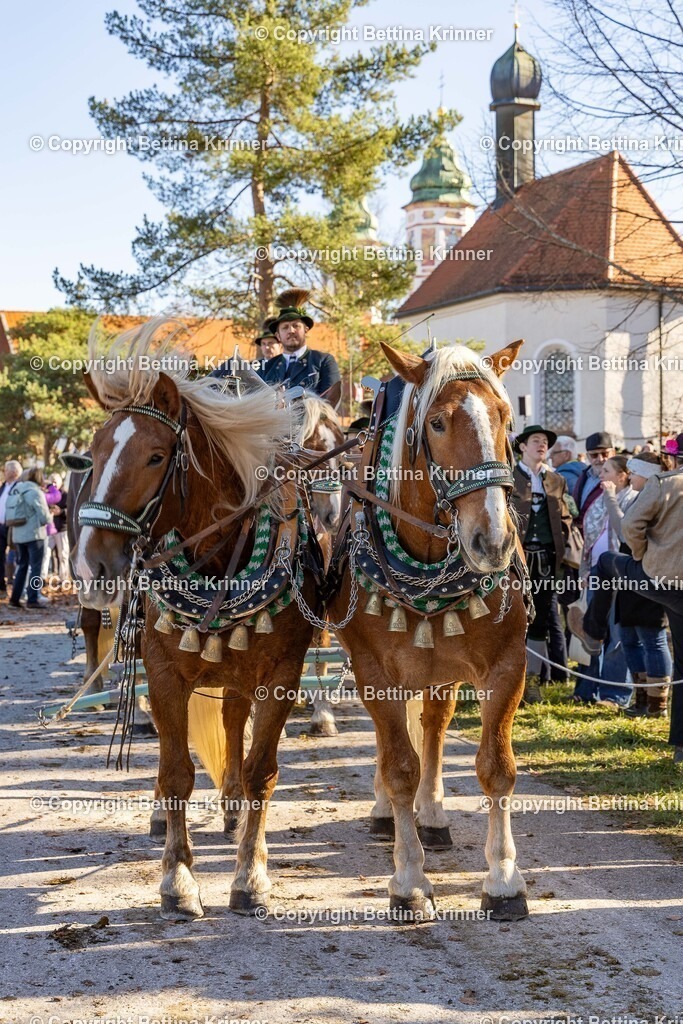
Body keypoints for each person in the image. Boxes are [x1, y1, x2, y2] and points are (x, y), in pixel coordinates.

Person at [569, 437, 683, 759]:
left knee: (608, 563)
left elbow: (630, 526)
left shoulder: (665, 483)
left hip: (661, 578)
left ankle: (592, 632)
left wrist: (641, 555)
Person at [510, 425, 572, 703]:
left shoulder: (556, 479)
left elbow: (566, 517)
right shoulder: (510, 476)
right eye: (536, 440)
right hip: (513, 559)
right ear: (522, 446)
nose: (542, 445)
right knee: (512, 618)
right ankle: (508, 681)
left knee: (542, 619)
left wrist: (563, 543)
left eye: (545, 442)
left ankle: (532, 684)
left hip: (546, 559)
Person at [260, 288, 341, 399]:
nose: (291, 330)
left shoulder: (323, 361)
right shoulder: (268, 367)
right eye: (285, 327)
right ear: (278, 336)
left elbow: (330, 403)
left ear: (306, 329)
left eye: (296, 326)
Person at [8, 467, 51, 609]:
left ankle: (15, 598)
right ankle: (32, 599)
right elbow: (44, 518)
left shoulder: (16, 489)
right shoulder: (35, 492)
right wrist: (52, 514)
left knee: (22, 566)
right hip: (34, 535)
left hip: (18, 535)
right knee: (36, 567)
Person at [0, 460, 23, 596]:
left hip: (14, 527)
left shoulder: (20, 486)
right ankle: (1, 588)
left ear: (13, 472)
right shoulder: (3, 487)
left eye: (6, 470)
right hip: (1, 526)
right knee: (0, 557)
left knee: (18, 557)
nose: (4, 472)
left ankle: (18, 590)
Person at [46, 472, 69, 581]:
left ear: (60, 482)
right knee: (46, 554)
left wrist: (61, 512)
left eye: (56, 480)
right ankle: (42, 577)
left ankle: (63, 578)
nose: (54, 483)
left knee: (63, 555)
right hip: (49, 529)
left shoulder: (65, 495)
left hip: (62, 529)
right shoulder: (47, 495)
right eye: (52, 480)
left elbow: (71, 510)